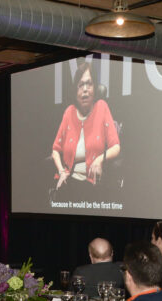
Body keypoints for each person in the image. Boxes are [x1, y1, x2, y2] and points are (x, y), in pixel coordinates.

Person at [50, 61, 121, 202]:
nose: (85, 89)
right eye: (81, 85)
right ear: (75, 91)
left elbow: (116, 147)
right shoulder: (69, 112)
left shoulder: (102, 107)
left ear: (95, 88)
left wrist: (100, 159)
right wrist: (61, 172)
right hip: (69, 182)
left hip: (93, 185)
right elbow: (55, 150)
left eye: (89, 83)